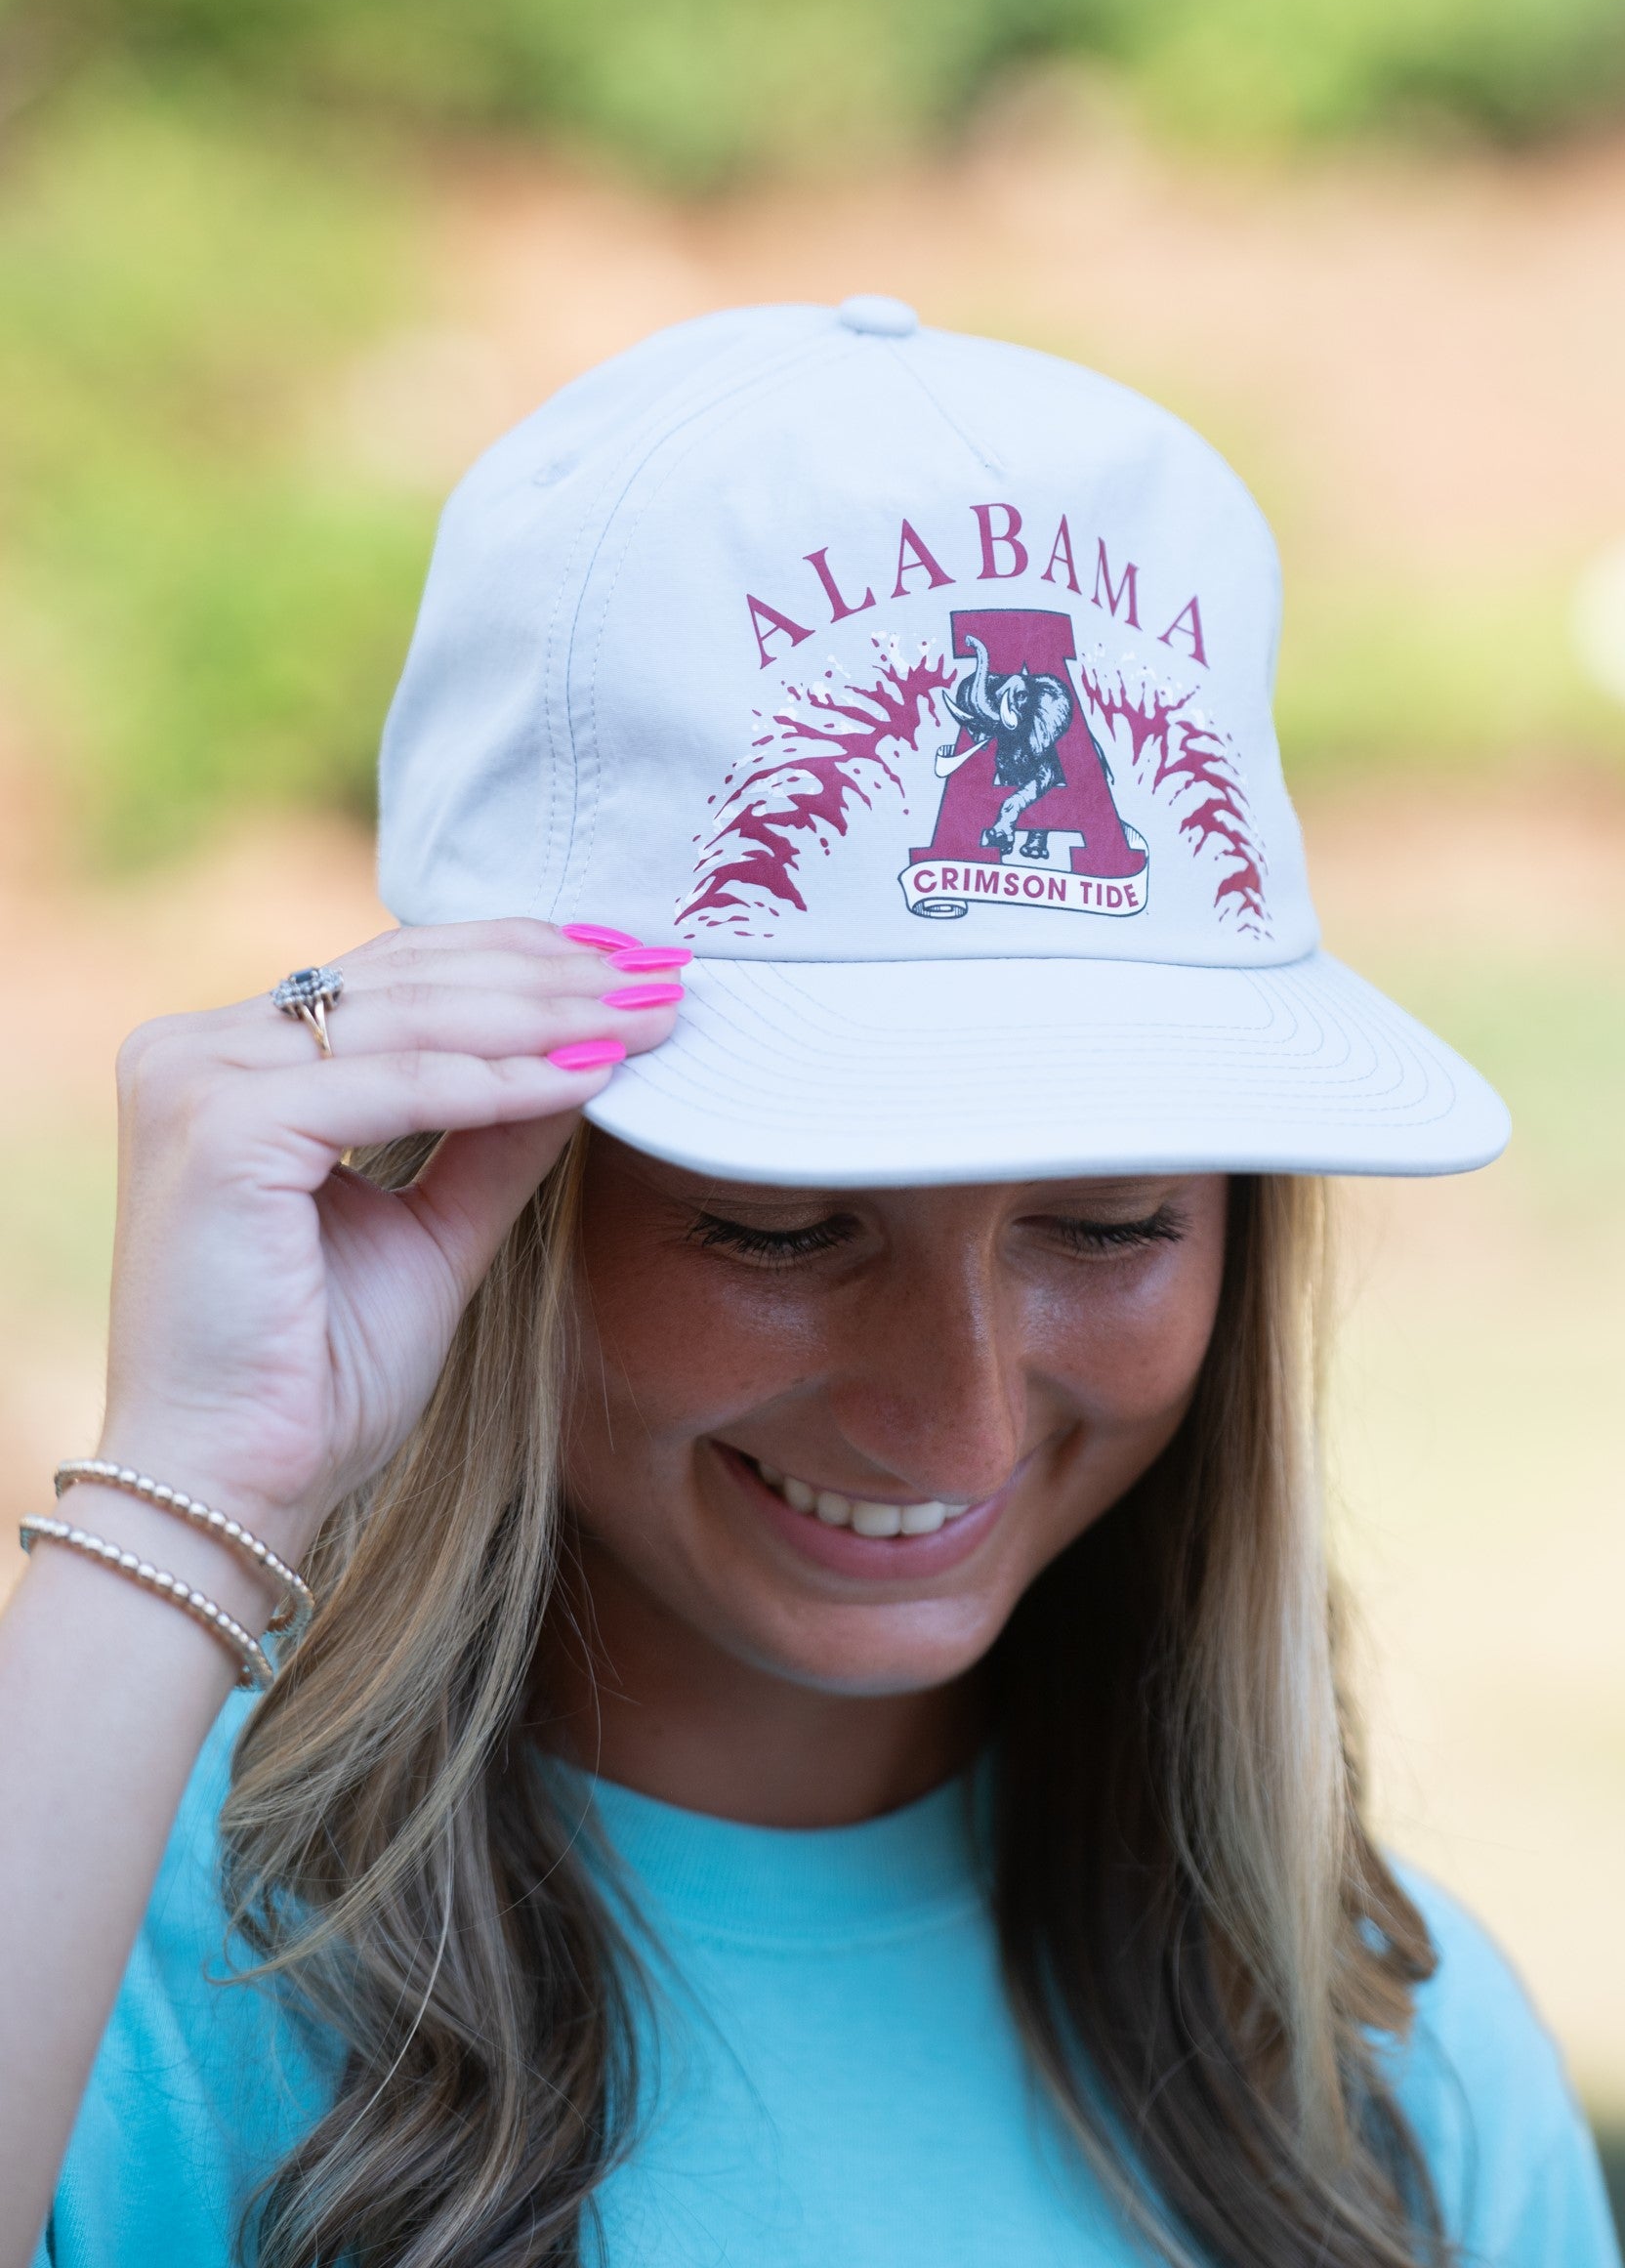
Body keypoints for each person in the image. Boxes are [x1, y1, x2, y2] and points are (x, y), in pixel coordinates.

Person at [2, 296, 1616, 2268]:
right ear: (485, 1186)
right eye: (781, 1226)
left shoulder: (1393, 2076)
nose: (956, 1411)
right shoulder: (118, 1971)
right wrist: (193, 1482)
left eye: (1107, 1226)